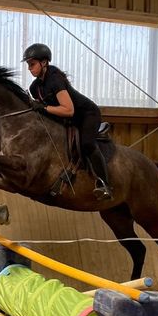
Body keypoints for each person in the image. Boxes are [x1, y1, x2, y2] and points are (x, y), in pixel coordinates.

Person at [22, 43, 113, 200]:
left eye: (32, 64)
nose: (29, 68)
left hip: (87, 115)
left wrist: (43, 108)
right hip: (68, 119)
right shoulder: (34, 87)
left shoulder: (55, 79)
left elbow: (68, 109)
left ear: (44, 63)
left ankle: (104, 184)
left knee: (87, 144)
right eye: (28, 65)